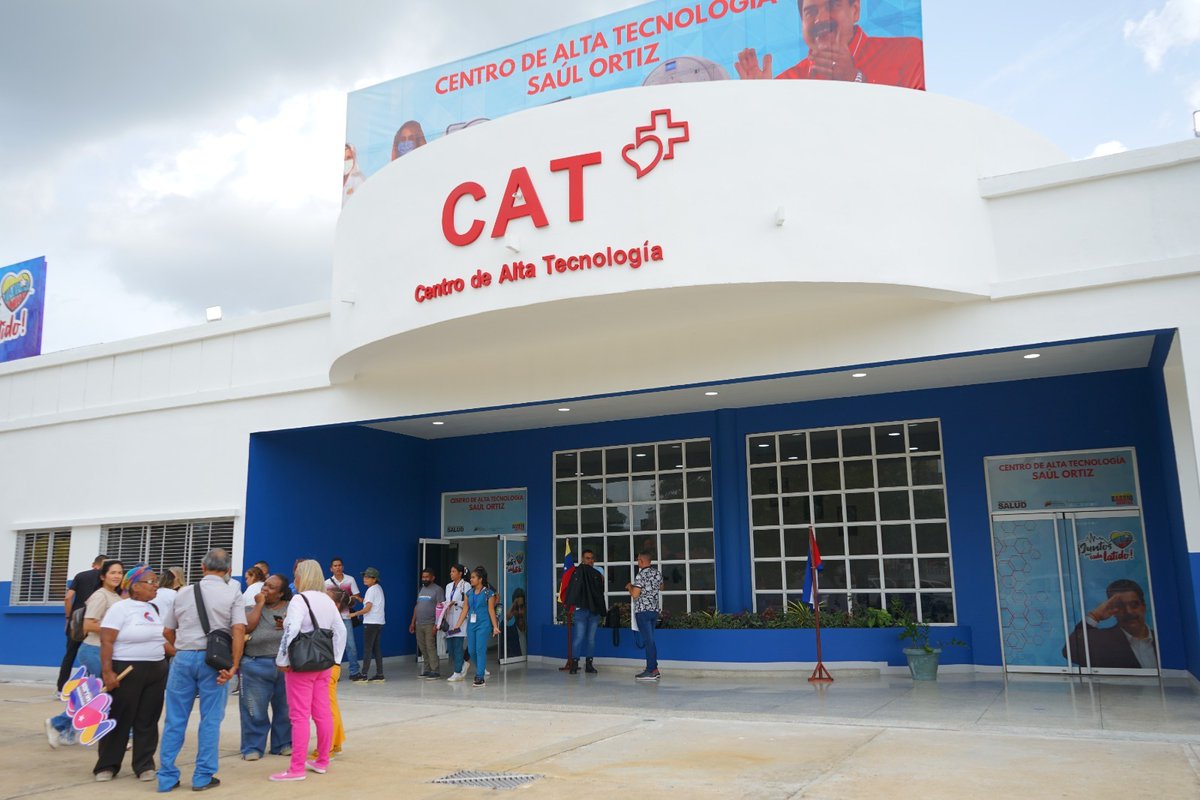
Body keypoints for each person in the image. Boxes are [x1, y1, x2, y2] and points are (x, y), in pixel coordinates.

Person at [157, 548, 246, 793]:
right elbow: (238, 629)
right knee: (210, 719)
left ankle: (166, 777)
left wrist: (181, 649)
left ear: (202, 567)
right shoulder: (233, 593)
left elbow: (167, 631)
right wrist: (233, 665)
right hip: (215, 662)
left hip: (183, 657)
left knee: (175, 719)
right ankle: (202, 776)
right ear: (228, 570)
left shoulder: (183, 593)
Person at [269, 559, 346, 782]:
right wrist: (336, 659)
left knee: (299, 716)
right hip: (324, 664)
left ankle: (296, 769)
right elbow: (340, 630)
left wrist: (282, 658)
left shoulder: (299, 599)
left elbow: (292, 629)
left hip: (301, 665)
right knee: (323, 712)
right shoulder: (327, 600)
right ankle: (322, 760)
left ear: (302, 577)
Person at [734, 0, 924, 90]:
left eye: (832, 5)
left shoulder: (907, 53)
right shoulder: (785, 83)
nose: (821, 19)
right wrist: (759, 100)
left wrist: (855, 79)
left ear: (855, 10)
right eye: (811, 12)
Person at [93, 565, 169, 782]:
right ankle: (107, 765)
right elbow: (106, 641)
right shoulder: (120, 608)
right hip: (126, 669)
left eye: (156, 582)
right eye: (151, 582)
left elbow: (161, 640)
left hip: (156, 670)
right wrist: (107, 671)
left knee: (148, 719)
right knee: (119, 717)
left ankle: (144, 765)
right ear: (135, 586)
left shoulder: (154, 609)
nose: (156, 586)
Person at [47, 558, 124, 748]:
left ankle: (61, 726)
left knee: (92, 694)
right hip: (93, 650)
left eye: (120, 573)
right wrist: (115, 630)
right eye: (113, 572)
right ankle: (60, 724)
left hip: (104, 651)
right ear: (103, 576)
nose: (117, 576)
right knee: (101, 693)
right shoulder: (100, 596)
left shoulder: (115, 596)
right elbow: (88, 624)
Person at [240, 574, 292, 761]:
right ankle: (253, 747)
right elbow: (247, 628)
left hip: (285, 666)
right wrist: (259, 604)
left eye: (271, 587)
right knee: (254, 710)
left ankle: (283, 744)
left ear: (281, 594)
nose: (265, 589)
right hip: (255, 664)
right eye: (265, 585)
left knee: (285, 709)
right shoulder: (249, 609)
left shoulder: (291, 608)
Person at [1064, 579, 1158, 670]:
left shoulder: (1161, 638)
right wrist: (1095, 615)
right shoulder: (1099, 642)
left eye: (1134, 604)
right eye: (1120, 606)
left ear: (1144, 606)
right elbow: (1070, 651)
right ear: (1112, 610)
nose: (1128, 611)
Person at [57, 554, 107, 693]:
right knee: (94, 656)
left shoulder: (80, 576)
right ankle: (91, 688)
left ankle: (61, 688)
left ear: (93, 564)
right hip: (95, 621)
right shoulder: (106, 580)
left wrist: (68, 617)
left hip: (77, 620)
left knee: (70, 655)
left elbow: (68, 598)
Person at [311, 584, 348, 760]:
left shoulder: (334, 625)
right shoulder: (334, 622)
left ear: (336, 605)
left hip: (329, 667)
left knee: (326, 709)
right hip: (331, 667)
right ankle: (336, 742)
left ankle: (327, 748)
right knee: (331, 706)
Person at [564, 549, 606, 674]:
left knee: (591, 639)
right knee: (579, 637)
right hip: (581, 610)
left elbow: (600, 589)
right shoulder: (577, 572)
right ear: (582, 559)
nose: (590, 560)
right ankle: (574, 663)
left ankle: (589, 664)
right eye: (587, 558)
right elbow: (573, 589)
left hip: (594, 610)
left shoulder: (599, 571)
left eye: (592, 558)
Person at [457, 566, 498, 687]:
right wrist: (457, 625)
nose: (471, 579)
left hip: (483, 624)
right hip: (471, 624)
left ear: (480, 579)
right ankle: (481, 668)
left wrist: (495, 626)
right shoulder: (468, 593)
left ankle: (480, 676)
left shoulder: (488, 593)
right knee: (471, 650)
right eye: (471, 577)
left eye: (473, 577)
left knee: (480, 649)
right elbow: (465, 609)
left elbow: (491, 610)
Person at [626, 551, 663, 682]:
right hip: (654, 610)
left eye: (638, 560)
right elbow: (661, 587)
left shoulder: (641, 575)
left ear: (641, 561)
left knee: (648, 641)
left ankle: (651, 670)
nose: (637, 562)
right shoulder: (657, 573)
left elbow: (635, 594)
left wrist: (630, 587)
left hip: (643, 611)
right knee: (650, 639)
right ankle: (654, 668)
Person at [325, 557, 361, 680]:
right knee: (331, 646)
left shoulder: (350, 580)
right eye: (335, 566)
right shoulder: (326, 583)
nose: (338, 567)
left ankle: (354, 672)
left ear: (343, 567)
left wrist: (349, 600)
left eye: (340, 565)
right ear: (331, 568)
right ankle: (333, 673)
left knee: (350, 645)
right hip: (331, 619)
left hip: (346, 617)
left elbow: (356, 597)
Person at [350, 567, 386, 682]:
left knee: (368, 649)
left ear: (374, 579)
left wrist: (354, 614)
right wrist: (359, 599)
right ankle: (380, 674)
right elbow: (370, 603)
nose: (364, 578)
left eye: (368, 577)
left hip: (371, 623)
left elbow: (368, 608)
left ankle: (364, 674)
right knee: (376, 649)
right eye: (364, 576)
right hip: (379, 622)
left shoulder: (371, 590)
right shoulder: (378, 588)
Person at [409, 569, 444, 679]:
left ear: (433, 578)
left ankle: (435, 671)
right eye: (423, 577)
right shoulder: (422, 589)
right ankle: (427, 670)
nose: (424, 579)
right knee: (422, 647)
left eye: (427, 577)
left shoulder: (438, 590)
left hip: (430, 623)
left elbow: (441, 607)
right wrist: (412, 622)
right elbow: (417, 606)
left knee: (430, 646)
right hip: (419, 623)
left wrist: (436, 624)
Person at [443, 564, 469, 682]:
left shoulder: (466, 585)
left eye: (453, 571)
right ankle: (462, 664)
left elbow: (468, 603)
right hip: (449, 619)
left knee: (458, 646)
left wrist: (456, 602)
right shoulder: (448, 586)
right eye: (451, 571)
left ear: (460, 573)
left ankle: (457, 672)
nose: (451, 573)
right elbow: (447, 600)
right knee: (450, 648)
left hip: (460, 620)